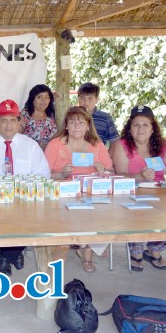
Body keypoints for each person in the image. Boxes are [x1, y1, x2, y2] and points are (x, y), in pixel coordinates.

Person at [0, 99, 50, 276]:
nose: (8, 125)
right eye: (3, 120)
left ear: (19, 122)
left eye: (12, 120)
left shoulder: (30, 146)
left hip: (23, 199)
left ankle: (6, 255)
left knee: (31, 214)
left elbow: (43, 174)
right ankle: (12, 253)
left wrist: (24, 191)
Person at [44, 106, 113, 273]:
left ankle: (87, 246)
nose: (76, 125)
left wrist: (102, 169)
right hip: (62, 195)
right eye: (72, 122)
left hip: (91, 194)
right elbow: (42, 175)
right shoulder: (55, 144)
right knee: (70, 218)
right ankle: (79, 247)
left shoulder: (97, 145)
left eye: (81, 122)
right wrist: (60, 174)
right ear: (66, 125)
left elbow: (111, 171)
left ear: (88, 126)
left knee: (108, 214)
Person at [112, 105, 166, 271]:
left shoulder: (162, 145)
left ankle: (154, 248)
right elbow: (120, 174)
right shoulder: (122, 145)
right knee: (138, 209)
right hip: (131, 190)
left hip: (159, 191)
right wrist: (139, 177)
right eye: (136, 124)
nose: (140, 128)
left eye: (145, 125)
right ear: (130, 128)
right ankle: (136, 248)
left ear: (152, 129)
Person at [77, 82, 120, 156]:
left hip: (97, 160)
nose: (86, 102)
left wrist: (107, 158)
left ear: (97, 99)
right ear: (78, 98)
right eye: (82, 98)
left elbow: (115, 141)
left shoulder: (105, 118)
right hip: (74, 159)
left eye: (90, 98)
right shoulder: (71, 117)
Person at [19, 84, 58, 150]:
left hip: (50, 154)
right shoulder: (25, 114)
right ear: (32, 99)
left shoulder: (52, 114)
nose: (44, 100)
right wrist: (36, 144)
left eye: (47, 97)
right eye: (39, 97)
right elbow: (17, 136)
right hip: (31, 153)